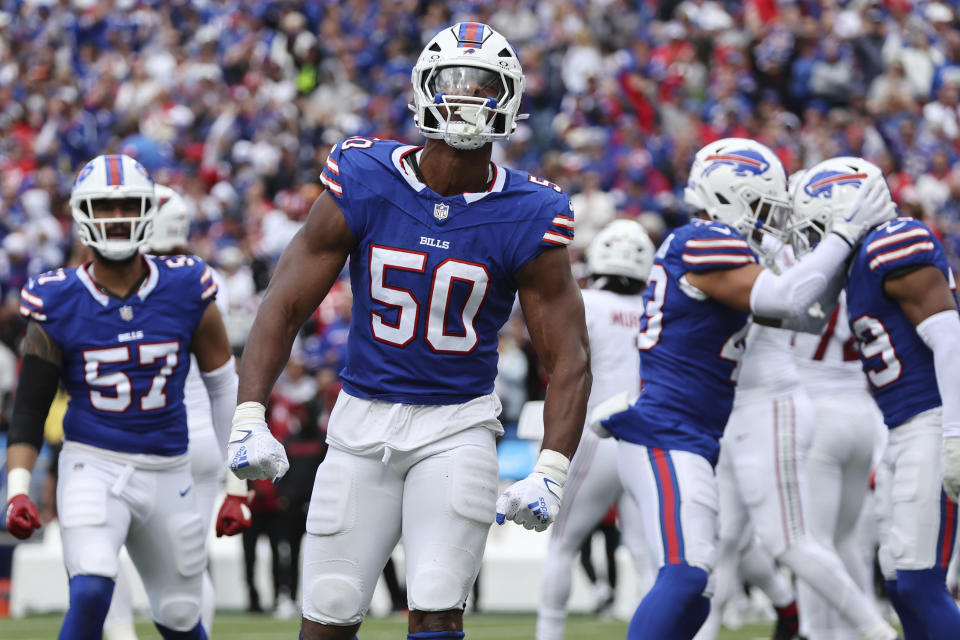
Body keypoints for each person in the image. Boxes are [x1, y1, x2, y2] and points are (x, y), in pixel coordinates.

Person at [225, 22, 591, 640]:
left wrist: (552, 467)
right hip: (360, 419)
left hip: (458, 425)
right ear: (424, 90)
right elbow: (282, 304)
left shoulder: (532, 212)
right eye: (455, 84)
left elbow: (569, 357)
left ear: (510, 99)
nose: (469, 99)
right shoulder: (366, 176)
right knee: (329, 611)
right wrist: (248, 414)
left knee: (437, 606)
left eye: (485, 87)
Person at [597, 138, 898, 640]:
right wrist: (842, 235)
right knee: (688, 575)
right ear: (728, 195)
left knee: (699, 591)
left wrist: (843, 255)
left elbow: (804, 315)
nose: (767, 220)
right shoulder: (707, 239)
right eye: (760, 206)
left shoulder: (704, 244)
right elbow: (784, 296)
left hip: (692, 433)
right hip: (667, 432)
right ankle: (873, 630)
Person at [4, 154, 245, 640]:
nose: (116, 219)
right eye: (104, 208)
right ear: (81, 215)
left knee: (180, 616)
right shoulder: (55, 300)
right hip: (92, 464)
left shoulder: (185, 286)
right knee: (92, 588)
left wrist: (237, 485)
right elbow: (30, 405)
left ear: (147, 210)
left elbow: (225, 386)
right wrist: (17, 489)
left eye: (127, 206)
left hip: (170, 469)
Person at [789, 156, 960, 639]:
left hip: (931, 419)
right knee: (898, 579)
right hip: (902, 426)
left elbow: (949, 337)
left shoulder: (892, 241)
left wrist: (954, 433)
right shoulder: (860, 262)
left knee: (920, 580)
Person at [99, 184, 250, 639]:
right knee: (190, 564)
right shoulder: (209, 278)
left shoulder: (137, 280)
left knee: (102, 550)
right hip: (207, 435)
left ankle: (122, 631)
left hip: (150, 433)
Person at [536, 218, 654, 640]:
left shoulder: (585, 302)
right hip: (645, 434)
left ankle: (549, 633)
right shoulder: (655, 308)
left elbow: (557, 364)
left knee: (563, 544)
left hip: (596, 433)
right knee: (647, 555)